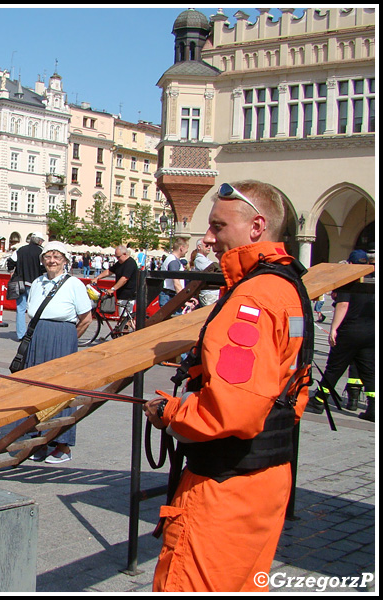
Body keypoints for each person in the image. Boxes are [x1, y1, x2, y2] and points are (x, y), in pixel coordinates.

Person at [144, 180, 313, 592]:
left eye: (218, 226)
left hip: (224, 485)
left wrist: (171, 412)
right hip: (266, 478)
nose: (207, 238)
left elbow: (231, 410)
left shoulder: (251, 298)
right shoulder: (290, 284)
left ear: (256, 227)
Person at [9, 241, 93, 464]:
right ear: (42, 260)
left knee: (61, 391)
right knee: (36, 389)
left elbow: (86, 319)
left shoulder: (74, 283)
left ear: (65, 260)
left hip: (61, 336)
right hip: (38, 335)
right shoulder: (37, 282)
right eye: (48, 257)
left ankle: (62, 445)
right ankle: (40, 439)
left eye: (57, 257)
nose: (52, 261)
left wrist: (67, 339)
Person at [306, 249, 374, 422]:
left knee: (335, 367)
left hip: (350, 331)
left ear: (350, 264)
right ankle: (373, 408)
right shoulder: (371, 282)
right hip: (370, 332)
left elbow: (343, 305)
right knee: (368, 371)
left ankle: (319, 400)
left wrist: (334, 328)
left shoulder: (348, 280)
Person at [6, 233, 46, 341]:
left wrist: (11, 271)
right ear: (39, 241)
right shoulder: (41, 252)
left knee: (20, 309)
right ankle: (33, 333)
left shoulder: (20, 250)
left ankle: (21, 335)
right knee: (37, 309)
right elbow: (44, 268)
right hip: (35, 283)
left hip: (20, 282)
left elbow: (10, 262)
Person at [91, 244, 138, 317]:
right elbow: (109, 271)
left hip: (128, 294)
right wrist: (97, 278)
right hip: (121, 294)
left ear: (125, 254)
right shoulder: (119, 263)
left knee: (124, 318)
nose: (117, 259)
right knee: (123, 317)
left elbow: (124, 278)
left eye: (118, 257)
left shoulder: (130, 263)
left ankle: (128, 327)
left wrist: (113, 289)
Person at [159, 238, 189, 308]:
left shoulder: (172, 259)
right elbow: (176, 282)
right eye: (187, 248)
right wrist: (184, 300)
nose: (187, 251)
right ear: (181, 248)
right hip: (169, 296)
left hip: (168, 295)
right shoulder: (173, 261)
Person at [191, 240, 219, 307]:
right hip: (208, 294)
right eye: (206, 246)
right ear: (199, 247)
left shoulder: (206, 259)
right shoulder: (199, 259)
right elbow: (214, 269)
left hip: (213, 293)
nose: (209, 247)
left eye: (210, 245)